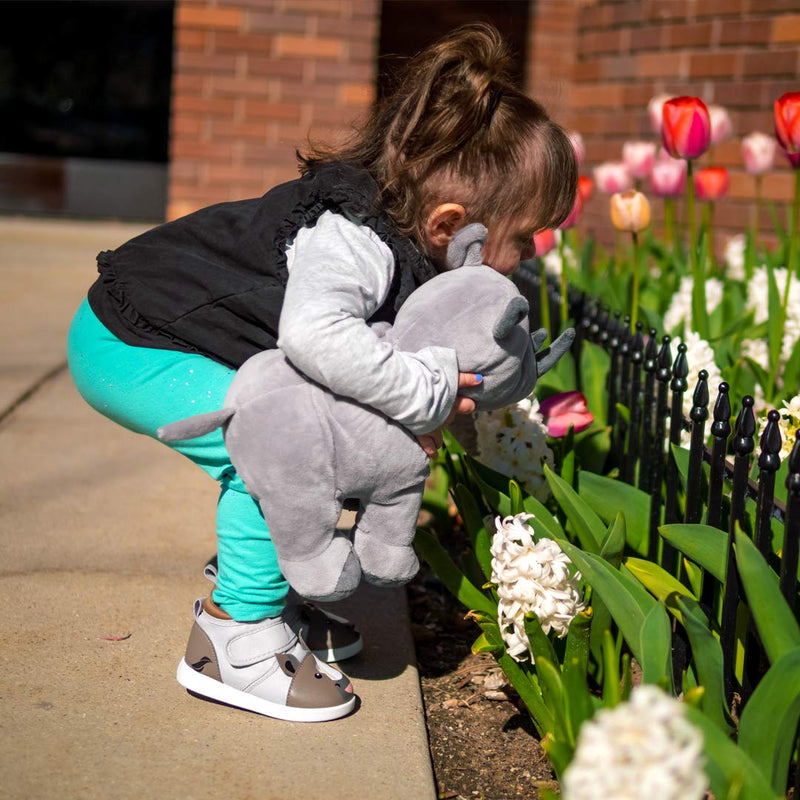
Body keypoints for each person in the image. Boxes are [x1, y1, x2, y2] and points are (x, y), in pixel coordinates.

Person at [67, 22, 577, 722]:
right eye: (524, 238)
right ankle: (235, 637)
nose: (526, 258)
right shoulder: (355, 240)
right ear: (449, 224)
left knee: (333, 426)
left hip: (177, 336)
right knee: (279, 447)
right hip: (129, 341)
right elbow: (314, 337)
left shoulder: (411, 244)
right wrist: (422, 391)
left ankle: (268, 584)